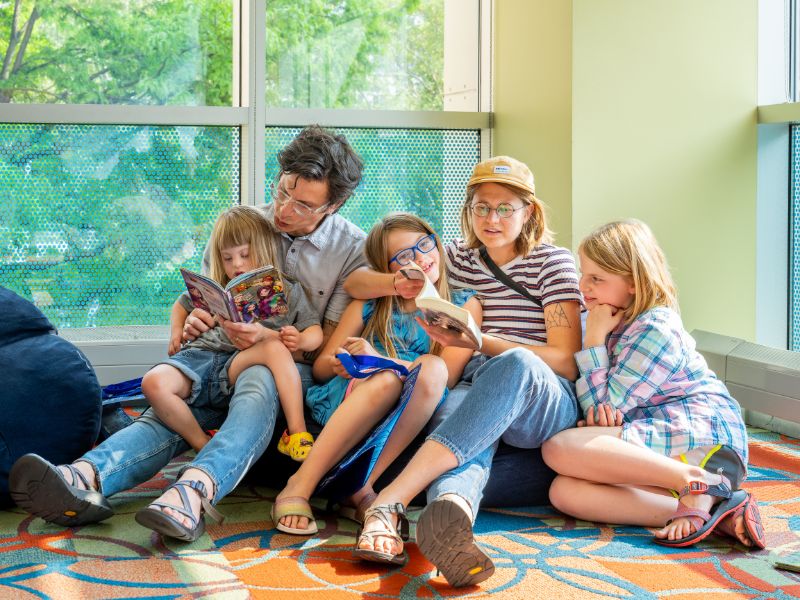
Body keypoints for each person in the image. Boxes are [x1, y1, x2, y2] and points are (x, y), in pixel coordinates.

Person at [9, 125, 367, 543]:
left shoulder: (352, 250)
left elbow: (326, 348)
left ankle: (193, 492)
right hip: (216, 358)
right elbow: (204, 293)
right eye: (282, 190)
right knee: (171, 404)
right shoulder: (247, 224)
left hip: (286, 367)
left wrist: (278, 341)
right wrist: (196, 319)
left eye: (303, 205)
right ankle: (84, 475)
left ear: (335, 204)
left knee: (260, 375)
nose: (284, 209)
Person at [343, 156, 583, 585]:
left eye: (505, 208)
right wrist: (397, 284)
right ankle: (452, 515)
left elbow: (566, 359)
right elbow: (357, 283)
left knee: (515, 364)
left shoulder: (554, 263)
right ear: (468, 210)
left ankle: (387, 502)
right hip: (476, 382)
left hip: (543, 397)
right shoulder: (455, 256)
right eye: (481, 207)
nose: (492, 218)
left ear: (528, 212)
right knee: (458, 414)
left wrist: (478, 339)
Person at [540, 219, 765, 549]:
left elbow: (601, 407)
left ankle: (698, 481)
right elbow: (601, 410)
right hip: (660, 441)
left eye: (596, 278)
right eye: (583, 273)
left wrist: (593, 340)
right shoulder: (611, 317)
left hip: (702, 436)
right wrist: (602, 414)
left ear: (632, 282)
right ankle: (716, 510)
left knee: (558, 448)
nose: (582, 284)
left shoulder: (655, 328)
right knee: (564, 492)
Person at [272, 214, 480, 558]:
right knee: (384, 379)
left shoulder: (465, 304)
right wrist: (345, 362)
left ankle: (362, 485)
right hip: (356, 395)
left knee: (431, 367)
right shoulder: (371, 304)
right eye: (404, 257)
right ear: (389, 269)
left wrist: (383, 360)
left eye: (424, 245)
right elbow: (322, 367)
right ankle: (301, 484)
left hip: (417, 402)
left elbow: (449, 375)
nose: (420, 259)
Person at [143, 205, 321, 461]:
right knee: (153, 383)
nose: (237, 265)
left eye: (245, 255)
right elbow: (181, 304)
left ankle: (296, 433)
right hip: (200, 358)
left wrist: (302, 339)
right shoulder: (216, 289)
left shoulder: (287, 291)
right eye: (228, 258)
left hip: (237, 365)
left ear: (265, 249)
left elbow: (315, 331)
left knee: (275, 348)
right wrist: (176, 332)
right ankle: (201, 443)